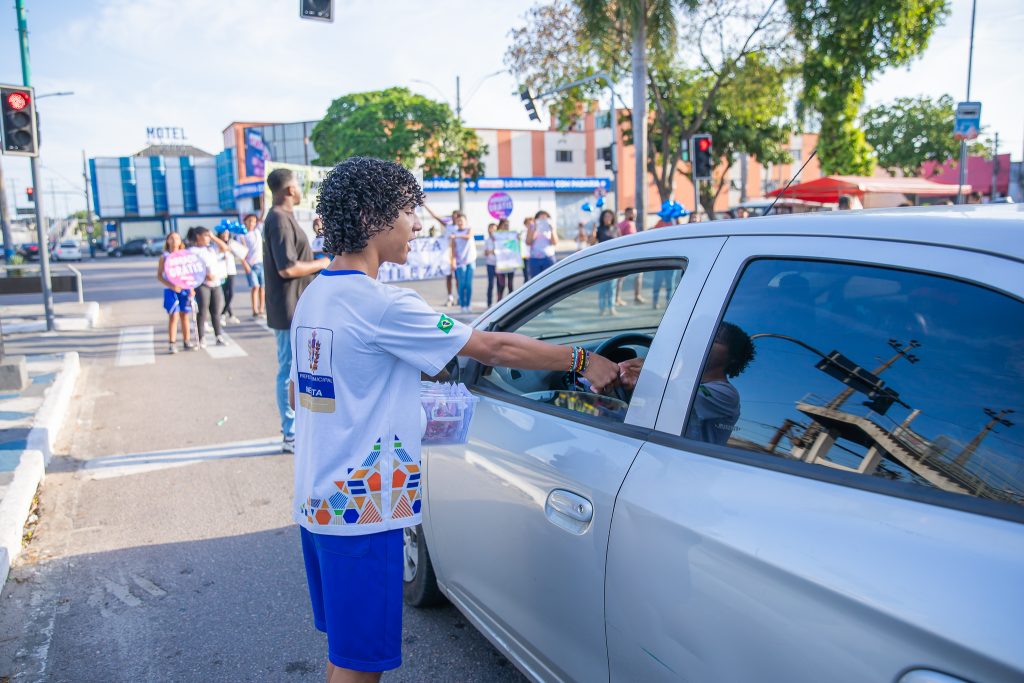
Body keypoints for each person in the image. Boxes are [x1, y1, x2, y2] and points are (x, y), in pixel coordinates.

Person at [291, 156, 619, 683]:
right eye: (408, 212)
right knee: (358, 668)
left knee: (345, 653)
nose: (417, 226)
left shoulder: (316, 297)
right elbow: (493, 345)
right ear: (374, 217)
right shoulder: (382, 304)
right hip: (363, 510)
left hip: (319, 501)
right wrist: (583, 360)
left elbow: (311, 390)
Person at [264, 167, 329, 453]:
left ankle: (296, 428)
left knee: (298, 370)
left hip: (297, 305)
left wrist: (319, 238)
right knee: (288, 371)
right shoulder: (278, 219)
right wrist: (324, 264)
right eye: (298, 186)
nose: (301, 191)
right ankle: (289, 432)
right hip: (287, 308)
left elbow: (300, 257)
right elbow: (288, 267)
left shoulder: (286, 218)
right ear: (290, 190)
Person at [619, 321, 755, 446]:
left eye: (715, 340)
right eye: (704, 335)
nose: (704, 341)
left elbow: (675, 392)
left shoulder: (727, 394)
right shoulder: (683, 381)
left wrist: (638, 373)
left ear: (733, 357)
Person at [189, 227, 230, 348]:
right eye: (205, 235)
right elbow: (192, 267)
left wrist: (213, 237)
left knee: (216, 311)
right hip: (202, 284)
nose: (208, 238)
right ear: (198, 236)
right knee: (202, 311)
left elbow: (225, 248)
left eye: (208, 236)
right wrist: (205, 275)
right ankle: (201, 338)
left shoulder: (211, 249)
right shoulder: (193, 250)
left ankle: (218, 336)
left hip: (216, 283)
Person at [155, 232, 194, 354]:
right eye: (171, 238)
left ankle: (186, 341)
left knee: (185, 315)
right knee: (173, 316)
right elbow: (159, 276)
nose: (174, 240)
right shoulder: (165, 257)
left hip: (185, 289)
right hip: (171, 290)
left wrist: (191, 288)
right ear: (167, 241)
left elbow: (190, 273)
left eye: (177, 238)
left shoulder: (185, 256)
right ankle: (172, 343)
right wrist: (171, 286)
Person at [424, 206, 460, 306]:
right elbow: (435, 216)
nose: (454, 218)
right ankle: (450, 297)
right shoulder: (448, 226)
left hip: (457, 255)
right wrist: (425, 205)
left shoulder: (461, 228)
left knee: (458, 277)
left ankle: (459, 296)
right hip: (446, 254)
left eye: (456, 217)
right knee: (448, 276)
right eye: (453, 216)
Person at [591, 210, 620, 315]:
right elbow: (592, 243)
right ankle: (601, 308)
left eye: (609, 216)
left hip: (614, 261)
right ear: (602, 218)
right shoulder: (599, 229)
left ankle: (611, 308)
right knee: (603, 287)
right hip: (602, 262)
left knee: (612, 287)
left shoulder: (616, 229)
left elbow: (621, 244)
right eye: (605, 216)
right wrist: (593, 230)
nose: (607, 218)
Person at [217, 227, 246, 325]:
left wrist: (241, 238)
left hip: (231, 271)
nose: (225, 235)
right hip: (221, 272)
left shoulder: (231, 243)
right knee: (226, 294)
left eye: (227, 233)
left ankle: (223, 314)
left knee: (231, 293)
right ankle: (229, 315)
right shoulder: (216, 244)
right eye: (223, 233)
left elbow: (243, 252)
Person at [615, 208, 644, 305]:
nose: (634, 215)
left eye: (635, 213)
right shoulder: (626, 224)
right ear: (626, 213)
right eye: (632, 213)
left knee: (637, 275)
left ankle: (636, 295)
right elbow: (628, 238)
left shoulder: (627, 223)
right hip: (628, 254)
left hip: (630, 254)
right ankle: (618, 298)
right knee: (622, 277)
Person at [450, 214, 477, 313]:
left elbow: (468, 236)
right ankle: (462, 305)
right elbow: (453, 250)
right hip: (460, 262)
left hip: (470, 261)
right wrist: (452, 262)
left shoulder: (469, 229)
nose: (460, 223)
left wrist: (456, 236)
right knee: (461, 284)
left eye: (462, 221)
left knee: (468, 284)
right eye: (458, 221)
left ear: (466, 221)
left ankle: (468, 304)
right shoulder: (454, 233)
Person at [241, 214, 266, 318]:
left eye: (254, 221)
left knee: (262, 287)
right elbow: (240, 252)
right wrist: (245, 264)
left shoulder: (257, 231)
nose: (252, 223)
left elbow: (262, 215)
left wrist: (262, 200)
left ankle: (261, 309)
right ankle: (254, 309)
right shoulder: (242, 235)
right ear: (245, 221)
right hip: (250, 265)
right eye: (250, 221)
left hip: (260, 263)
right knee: (255, 286)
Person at [526, 210, 558, 278]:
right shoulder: (532, 227)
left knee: (550, 279)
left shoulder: (551, 227)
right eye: (540, 219)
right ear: (536, 220)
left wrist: (552, 230)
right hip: (534, 258)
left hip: (548, 258)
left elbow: (555, 242)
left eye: (545, 219)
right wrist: (535, 230)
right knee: (535, 281)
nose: (543, 221)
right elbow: (528, 242)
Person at [494, 217, 515, 302]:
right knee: (501, 285)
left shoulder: (512, 235)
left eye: (508, 225)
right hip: (501, 264)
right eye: (505, 225)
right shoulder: (496, 235)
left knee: (510, 284)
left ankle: (511, 303)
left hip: (510, 263)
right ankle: (499, 302)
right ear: (500, 225)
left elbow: (515, 248)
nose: (507, 227)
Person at [483, 222, 498, 308]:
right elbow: (485, 252)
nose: (493, 230)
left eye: (494, 228)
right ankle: (489, 303)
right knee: (491, 284)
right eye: (491, 228)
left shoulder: (500, 239)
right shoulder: (487, 240)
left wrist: (491, 251)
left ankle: (500, 301)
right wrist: (492, 251)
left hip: (499, 265)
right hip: (490, 264)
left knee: (500, 285)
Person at [520, 216, 533, 282]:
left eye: (531, 223)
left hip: (533, 256)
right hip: (525, 257)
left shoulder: (535, 232)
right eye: (528, 223)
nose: (530, 225)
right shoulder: (522, 233)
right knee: (526, 275)